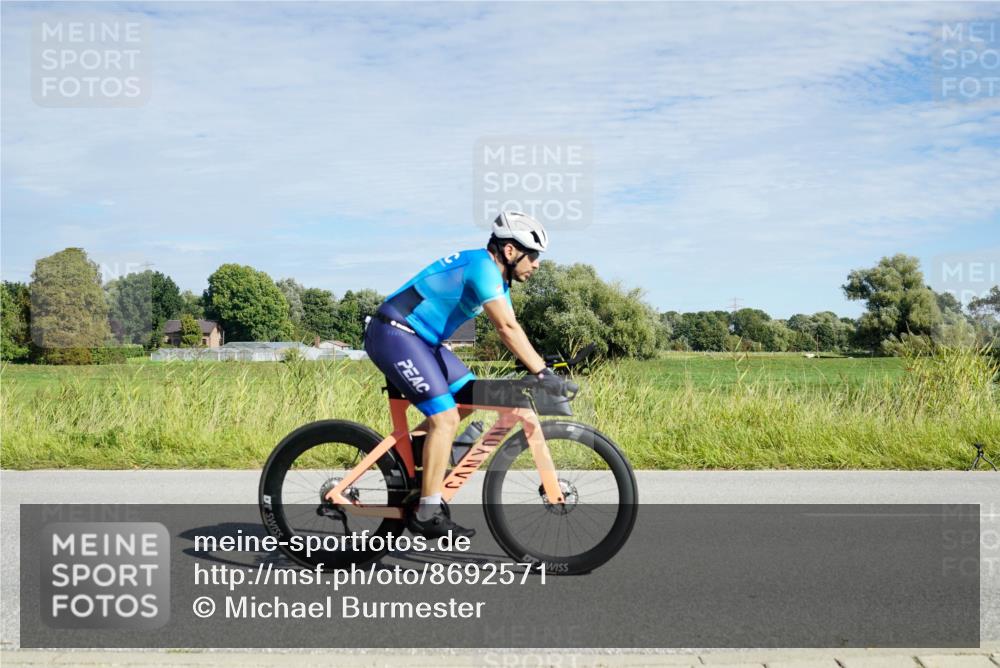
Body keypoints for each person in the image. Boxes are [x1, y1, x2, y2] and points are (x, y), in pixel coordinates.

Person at [363, 211, 565, 539]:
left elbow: (513, 331)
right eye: (534, 256)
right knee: (446, 417)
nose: (537, 264)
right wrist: (541, 372)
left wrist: (542, 363)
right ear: (510, 251)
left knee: (470, 397)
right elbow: (506, 328)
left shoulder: (497, 280)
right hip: (395, 334)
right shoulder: (482, 267)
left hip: (424, 341)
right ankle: (428, 511)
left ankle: (417, 457)